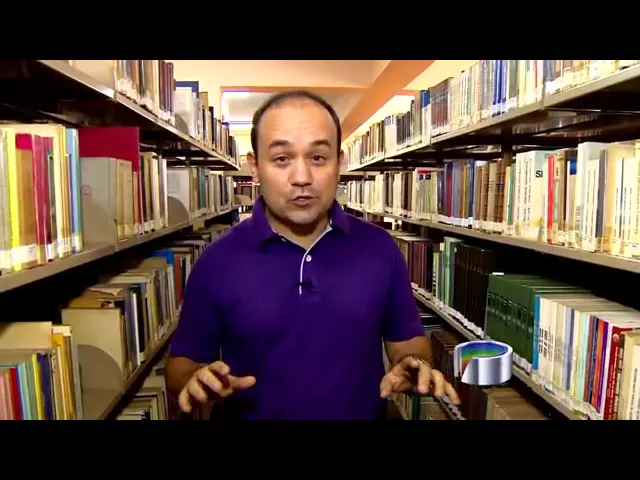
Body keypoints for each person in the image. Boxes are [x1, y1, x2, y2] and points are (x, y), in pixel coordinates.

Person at [165, 90, 460, 420]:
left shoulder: (380, 248)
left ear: (339, 163)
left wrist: (413, 363)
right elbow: (181, 365)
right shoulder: (216, 262)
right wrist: (194, 379)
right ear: (255, 167)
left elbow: (408, 339)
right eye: (282, 159)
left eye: (318, 158)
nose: (302, 178)